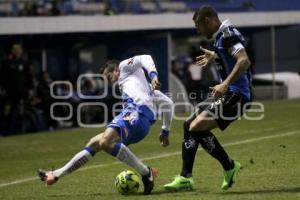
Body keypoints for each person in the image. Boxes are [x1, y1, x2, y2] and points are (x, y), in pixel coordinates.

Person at [38, 55, 174, 195]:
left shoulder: (123, 67)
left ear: (115, 70)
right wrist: (165, 131)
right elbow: (168, 104)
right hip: (141, 124)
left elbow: (145, 58)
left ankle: (146, 173)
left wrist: (153, 75)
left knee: (104, 142)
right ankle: (56, 174)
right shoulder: (148, 90)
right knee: (94, 143)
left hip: (137, 114)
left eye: (107, 76)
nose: (108, 81)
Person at [164, 5, 252, 191]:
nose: (198, 30)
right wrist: (216, 56)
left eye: (198, 26)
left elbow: (243, 60)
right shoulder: (222, 37)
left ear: (208, 20)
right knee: (188, 124)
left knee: (196, 127)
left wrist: (225, 83)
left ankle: (229, 166)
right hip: (228, 92)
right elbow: (232, 55)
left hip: (237, 95)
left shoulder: (227, 35)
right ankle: (185, 177)